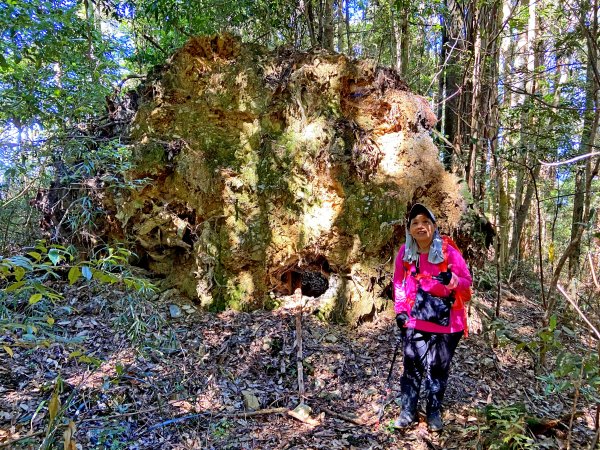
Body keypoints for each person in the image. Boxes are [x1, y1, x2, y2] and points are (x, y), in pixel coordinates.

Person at [392, 203, 472, 431]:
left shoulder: (449, 252)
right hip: (415, 320)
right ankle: (408, 412)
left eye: (426, 222)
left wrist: (453, 281)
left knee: (437, 369)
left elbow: (467, 288)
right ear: (409, 229)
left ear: (435, 226)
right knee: (412, 367)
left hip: (448, 324)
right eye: (415, 222)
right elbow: (398, 282)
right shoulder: (405, 253)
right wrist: (400, 310)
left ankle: (434, 412)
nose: (420, 226)